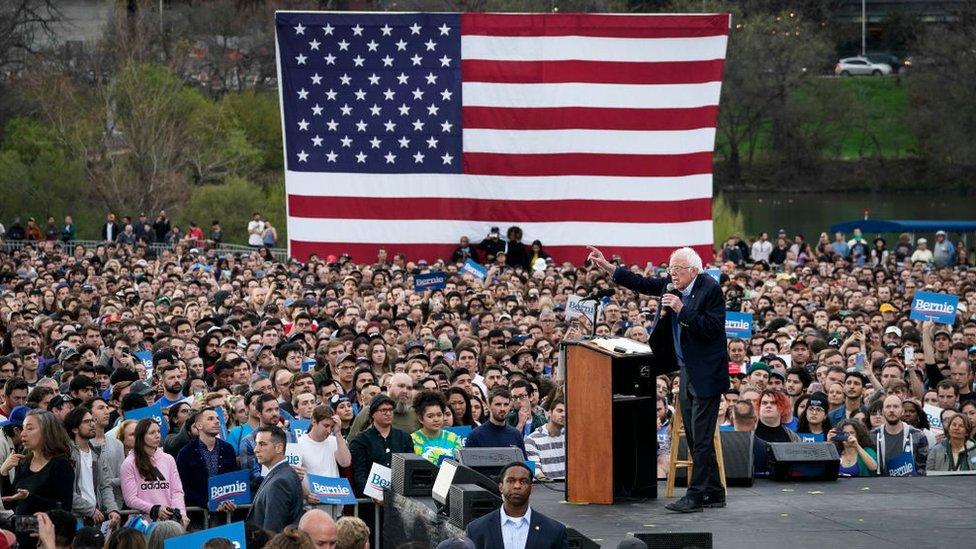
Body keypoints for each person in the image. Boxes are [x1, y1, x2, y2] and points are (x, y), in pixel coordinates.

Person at [588, 245, 728, 513]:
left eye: (678, 270)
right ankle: (714, 492)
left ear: (694, 271)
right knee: (697, 433)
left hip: (707, 373)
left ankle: (697, 495)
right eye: (671, 269)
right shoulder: (671, 285)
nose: (672, 274)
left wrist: (681, 309)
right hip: (686, 370)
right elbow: (642, 283)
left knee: (700, 436)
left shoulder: (709, 288)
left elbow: (712, 328)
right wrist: (608, 267)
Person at [0, 410, 74, 548]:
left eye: (30, 428)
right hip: (21, 538)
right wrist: (3, 473)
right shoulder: (24, 461)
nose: (22, 433)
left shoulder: (60, 465)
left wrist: (28, 497)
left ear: (46, 432)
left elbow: (64, 510)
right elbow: (9, 503)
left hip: (45, 540)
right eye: (23, 428)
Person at [464, 462, 568, 549]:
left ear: (531, 488)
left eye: (523, 481)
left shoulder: (554, 530)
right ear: (501, 487)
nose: (517, 486)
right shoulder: (476, 529)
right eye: (511, 481)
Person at [120, 419, 189, 528]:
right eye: (152, 433)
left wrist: (181, 514)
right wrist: (154, 509)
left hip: (169, 524)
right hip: (142, 525)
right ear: (141, 436)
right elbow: (130, 499)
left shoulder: (168, 459)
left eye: (158, 431)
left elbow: (176, 491)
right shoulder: (129, 463)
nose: (157, 435)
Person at [64, 407, 120, 527]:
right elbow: (66, 491)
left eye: (92, 420)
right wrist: (90, 510)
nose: (92, 424)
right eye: (86, 422)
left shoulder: (97, 453)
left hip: (95, 518)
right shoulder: (66, 455)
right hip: (74, 519)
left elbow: (105, 485)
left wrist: (112, 509)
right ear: (74, 429)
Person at [175, 408, 239, 511]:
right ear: (199, 425)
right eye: (210, 419)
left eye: (217, 418)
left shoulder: (228, 449)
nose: (217, 421)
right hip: (198, 514)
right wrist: (207, 503)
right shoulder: (185, 453)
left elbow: (234, 480)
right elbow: (183, 486)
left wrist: (229, 500)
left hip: (226, 513)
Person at [348, 395, 412, 497]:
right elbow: (359, 474)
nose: (388, 413)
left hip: (398, 498)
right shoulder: (360, 440)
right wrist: (374, 495)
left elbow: (409, 469)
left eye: (391, 410)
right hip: (370, 502)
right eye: (383, 410)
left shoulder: (404, 437)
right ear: (373, 413)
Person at [247, 425, 304, 531]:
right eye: (256, 444)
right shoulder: (282, 473)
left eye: (262, 444)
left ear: (279, 448)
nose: (256, 449)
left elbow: (272, 530)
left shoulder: (280, 482)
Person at [871, 395, 929, 476]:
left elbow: (922, 469)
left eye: (896, 407)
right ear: (883, 411)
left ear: (902, 411)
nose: (891, 410)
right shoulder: (872, 436)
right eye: (888, 407)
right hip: (881, 486)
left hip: (910, 486)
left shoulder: (918, 436)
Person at [465, 388, 526, 457]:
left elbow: (523, 464)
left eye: (506, 404)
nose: (502, 409)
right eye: (498, 404)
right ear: (489, 405)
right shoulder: (475, 436)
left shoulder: (516, 435)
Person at [411, 390, 462, 465]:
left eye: (439, 415)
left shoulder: (454, 438)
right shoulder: (412, 440)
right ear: (420, 418)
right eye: (430, 416)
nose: (436, 419)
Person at [524, 397, 566, 481]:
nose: (563, 415)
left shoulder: (572, 437)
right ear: (550, 413)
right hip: (546, 489)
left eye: (566, 412)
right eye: (559, 411)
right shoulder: (531, 440)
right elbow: (534, 471)